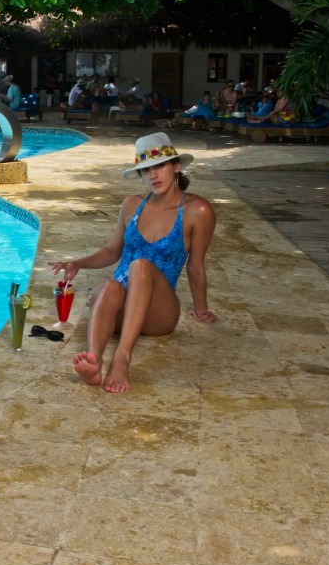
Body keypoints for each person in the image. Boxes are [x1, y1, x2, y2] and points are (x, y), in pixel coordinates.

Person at [48, 133, 217, 393]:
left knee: (140, 265)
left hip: (158, 314)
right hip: (119, 308)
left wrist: (201, 311)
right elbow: (112, 251)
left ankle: (122, 358)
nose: (153, 176)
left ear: (175, 166)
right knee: (107, 285)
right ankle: (94, 360)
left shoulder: (197, 210)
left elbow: (196, 265)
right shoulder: (131, 205)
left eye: (159, 166)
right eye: (145, 170)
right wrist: (78, 263)